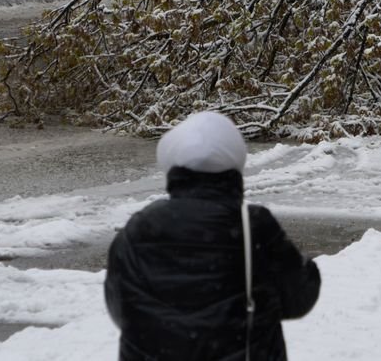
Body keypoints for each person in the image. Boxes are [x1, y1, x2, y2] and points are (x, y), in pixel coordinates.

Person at [105, 111, 321, 360]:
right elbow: (299, 298)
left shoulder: (138, 229)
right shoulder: (255, 227)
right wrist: (306, 264)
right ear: (235, 164)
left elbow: (120, 309)